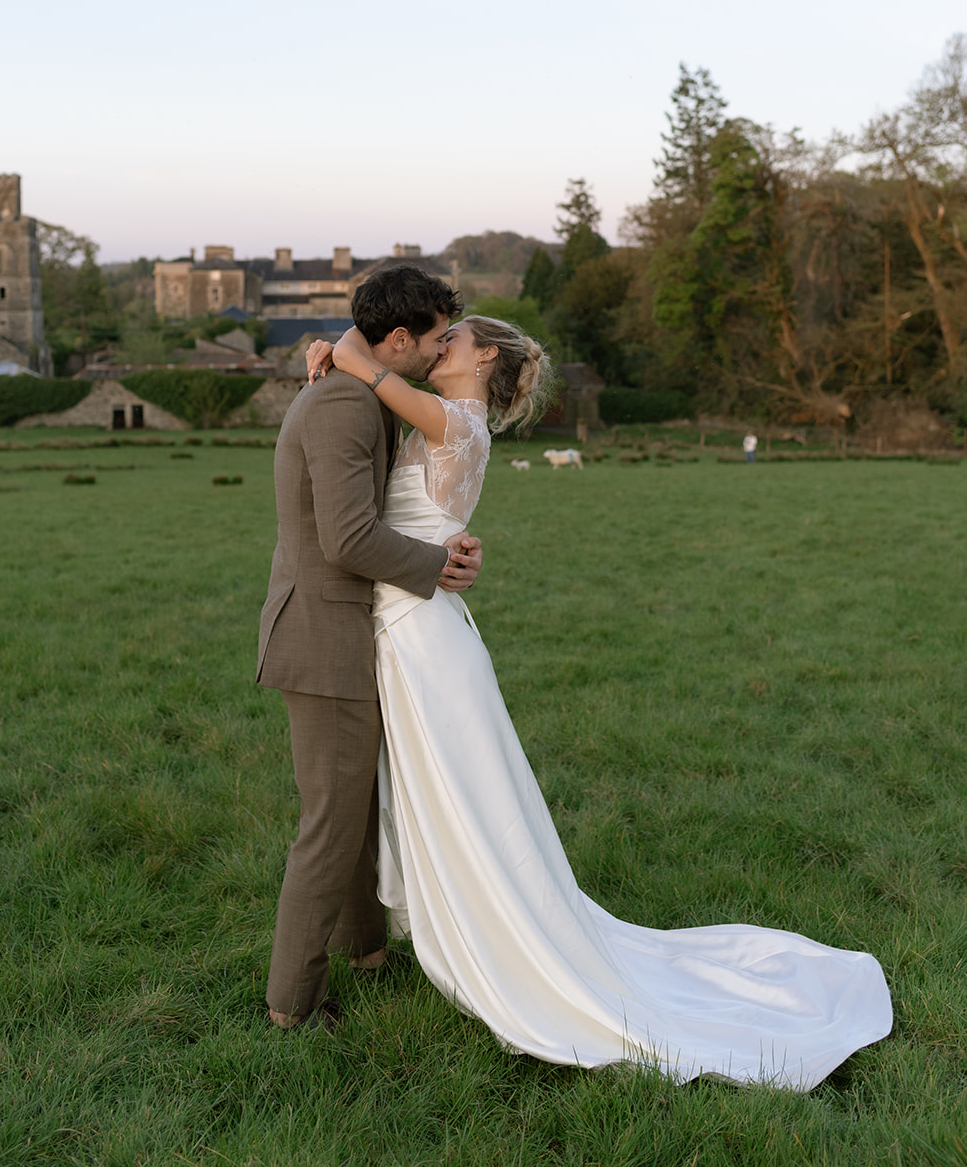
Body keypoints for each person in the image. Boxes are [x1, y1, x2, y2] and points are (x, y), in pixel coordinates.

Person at [303, 315, 893, 1088]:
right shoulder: (445, 414)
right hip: (415, 619)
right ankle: (450, 919)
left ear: (484, 358)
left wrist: (336, 347)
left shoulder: (453, 417)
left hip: (418, 633)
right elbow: (381, 365)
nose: (435, 345)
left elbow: (371, 363)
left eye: (454, 337)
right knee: (448, 790)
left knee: (460, 794)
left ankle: (500, 935)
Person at [258, 265, 483, 1030]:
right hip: (322, 634)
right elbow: (347, 537)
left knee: (355, 807)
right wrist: (437, 568)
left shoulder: (358, 387)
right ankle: (292, 1003)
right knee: (329, 825)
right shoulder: (343, 406)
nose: (439, 351)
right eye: (433, 340)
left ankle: (365, 948)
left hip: (351, 629)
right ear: (396, 339)